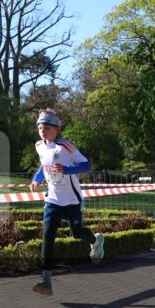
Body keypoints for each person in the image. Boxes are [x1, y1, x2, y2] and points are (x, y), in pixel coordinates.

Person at [28, 108, 104, 296]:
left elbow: (86, 165)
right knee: (47, 238)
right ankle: (46, 282)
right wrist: (36, 179)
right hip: (52, 200)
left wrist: (66, 169)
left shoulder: (65, 145)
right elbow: (43, 166)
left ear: (57, 129)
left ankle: (96, 241)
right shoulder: (39, 146)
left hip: (72, 201)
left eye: (46, 127)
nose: (42, 131)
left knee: (76, 233)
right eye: (40, 127)